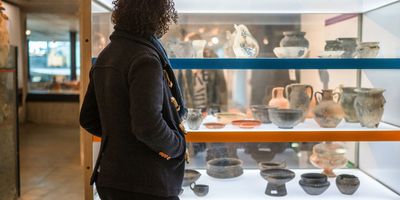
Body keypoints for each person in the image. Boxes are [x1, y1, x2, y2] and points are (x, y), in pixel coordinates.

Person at [79, 0, 187, 199]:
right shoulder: (146, 58)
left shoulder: (106, 54)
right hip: (146, 183)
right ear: (158, 15)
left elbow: (88, 118)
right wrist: (178, 147)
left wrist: (122, 139)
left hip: (111, 178)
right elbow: (148, 127)